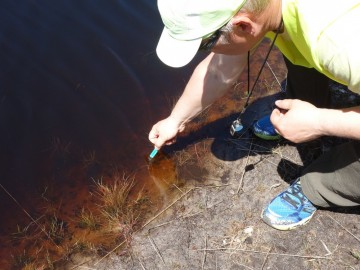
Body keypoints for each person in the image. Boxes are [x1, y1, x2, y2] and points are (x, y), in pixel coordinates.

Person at [148, 0, 360, 230]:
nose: (208, 51)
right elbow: (220, 70)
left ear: (243, 26)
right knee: (294, 42)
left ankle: (321, 186)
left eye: (205, 43)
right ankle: (306, 104)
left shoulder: (339, 42)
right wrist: (175, 120)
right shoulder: (265, 9)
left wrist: (319, 122)